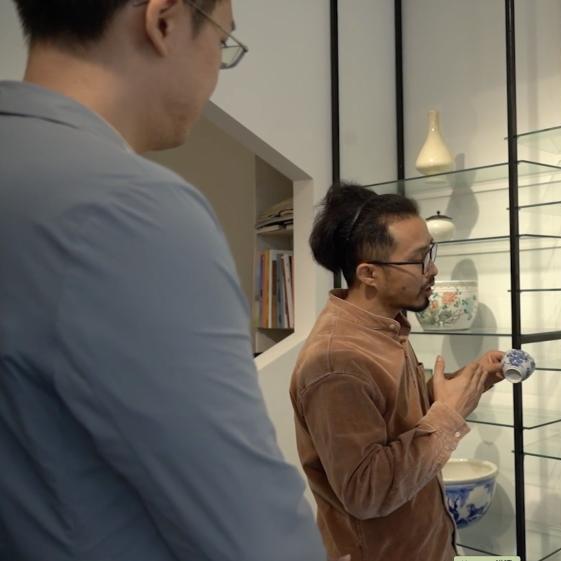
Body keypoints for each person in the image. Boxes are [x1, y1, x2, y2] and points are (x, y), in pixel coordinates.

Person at [0, 2, 326, 560]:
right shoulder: (130, 209)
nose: (218, 70)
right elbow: (254, 532)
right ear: (164, 21)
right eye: (222, 40)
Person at [290, 183, 505, 561]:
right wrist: (449, 414)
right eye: (419, 259)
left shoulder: (385, 329)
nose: (432, 270)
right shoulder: (336, 362)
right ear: (369, 273)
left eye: (430, 253)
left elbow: (393, 422)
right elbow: (366, 492)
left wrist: (466, 384)